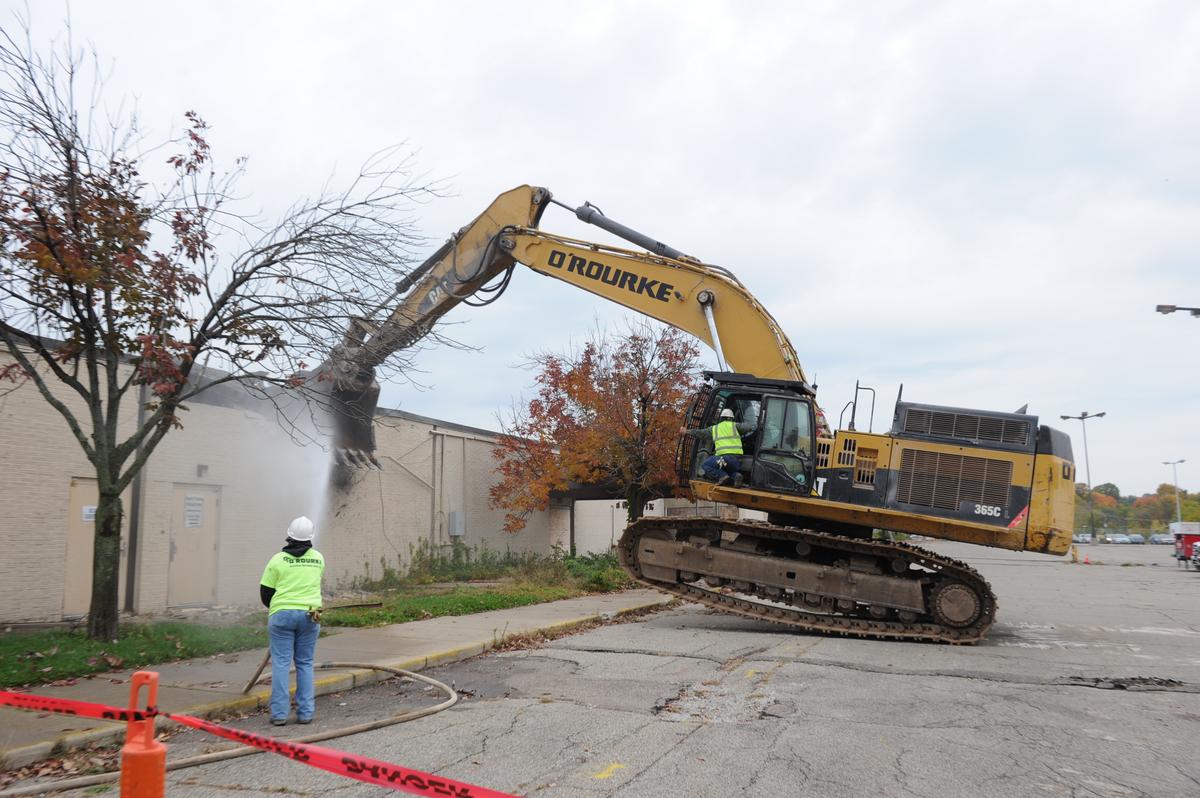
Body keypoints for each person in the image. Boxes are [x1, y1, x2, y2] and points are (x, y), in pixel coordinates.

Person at [260, 516, 325, 726]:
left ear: (289, 535)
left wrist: (279, 610)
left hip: (282, 614)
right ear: (310, 537)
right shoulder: (318, 559)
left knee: (281, 663)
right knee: (305, 663)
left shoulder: (277, 559)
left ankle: (279, 714)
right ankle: (305, 713)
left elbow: (265, 593)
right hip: (310, 614)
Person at [680, 407, 755, 486]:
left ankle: (722, 476)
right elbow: (749, 427)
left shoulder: (714, 429)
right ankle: (736, 476)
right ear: (732, 418)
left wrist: (687, 431)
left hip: (724, 459)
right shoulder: (735, 426)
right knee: (728, 470)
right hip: (737, 461)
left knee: (705, 465)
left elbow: (701, 433)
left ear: (721, 418)